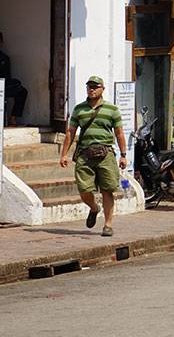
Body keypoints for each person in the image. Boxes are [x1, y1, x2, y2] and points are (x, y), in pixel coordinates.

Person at [59, 76, 128, 237]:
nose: (92, 89)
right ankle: (94, 208)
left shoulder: (112, 109)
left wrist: (123, 155)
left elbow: (119, 133)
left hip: (106, 154)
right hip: (85, 154)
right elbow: (70, 132)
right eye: (89, 86)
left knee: (107, 190)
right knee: (84, 190)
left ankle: (108, 225)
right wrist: (64, 154)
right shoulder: (79, 109)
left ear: (102, 89)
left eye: (95, 87)